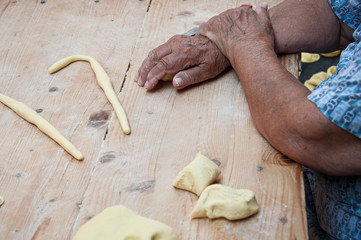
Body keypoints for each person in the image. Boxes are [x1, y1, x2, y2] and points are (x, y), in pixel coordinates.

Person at [135, 0, 361, 239]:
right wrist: (226, 38)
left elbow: (309, 130)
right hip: (320, 191)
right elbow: (341, 14)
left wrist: (245, 44)